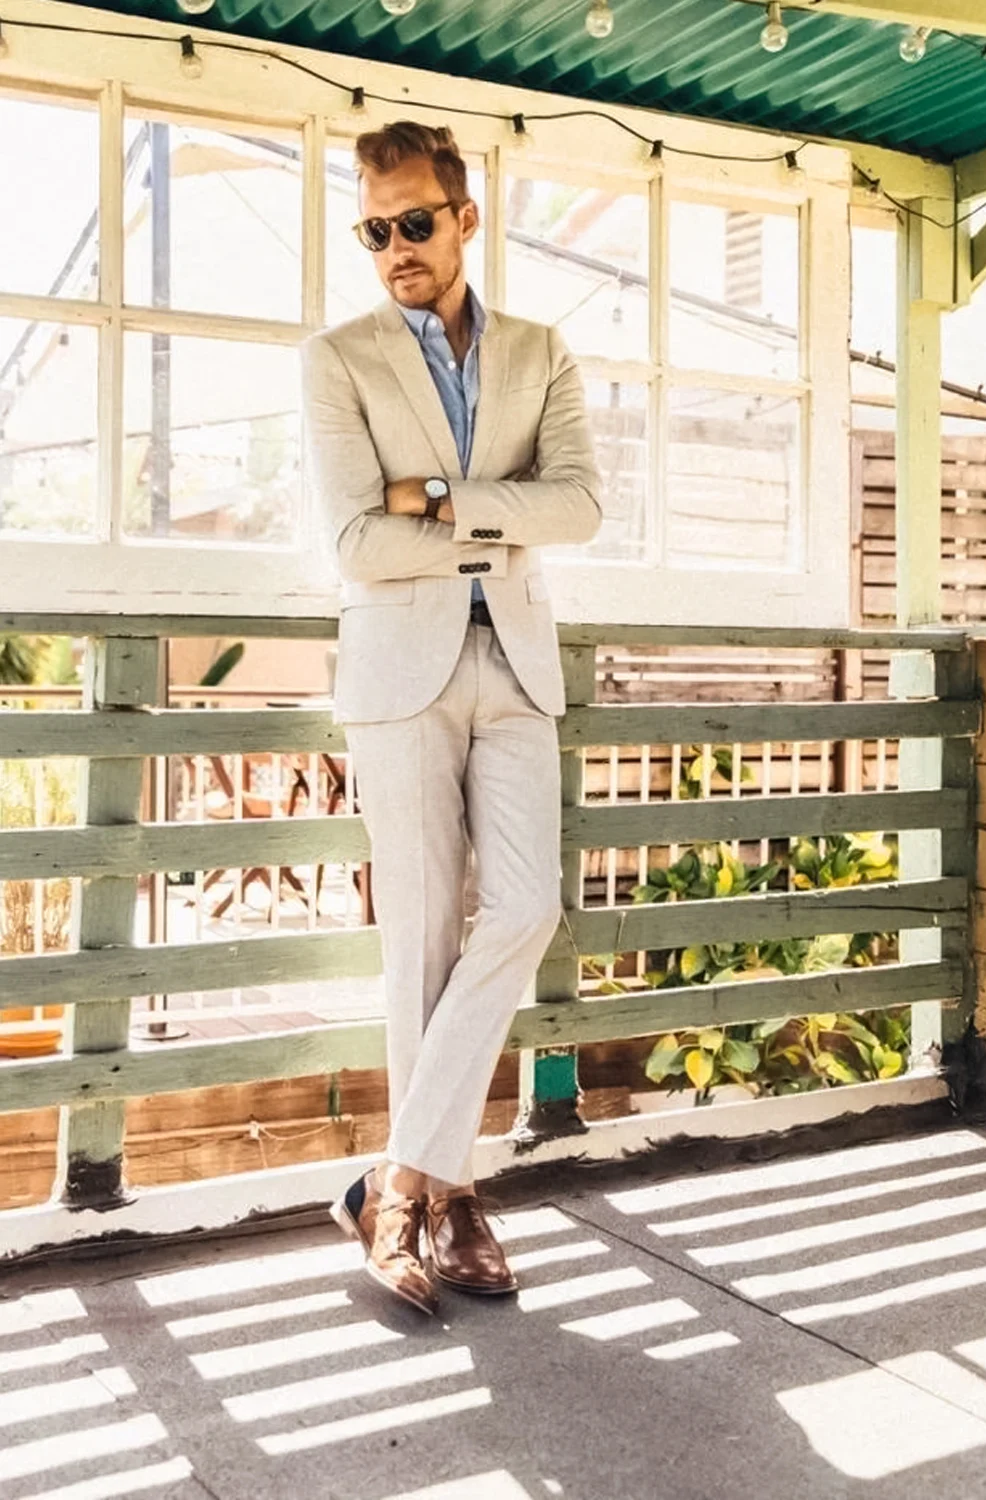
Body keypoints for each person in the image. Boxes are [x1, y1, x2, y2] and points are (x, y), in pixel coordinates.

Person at [301, 120, 602, 1317]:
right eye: (374, 230)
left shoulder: (541, 351)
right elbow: (352, 541)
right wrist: (497, 513)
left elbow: (578, 507)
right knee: (419, 943)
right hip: (398, 672)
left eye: (414, 223)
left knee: (526, 904)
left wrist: (433, 496)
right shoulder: (337, 359)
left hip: (516, 662)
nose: (394, 249)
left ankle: (394, 1181)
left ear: (465, 219)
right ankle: (452, 1196)